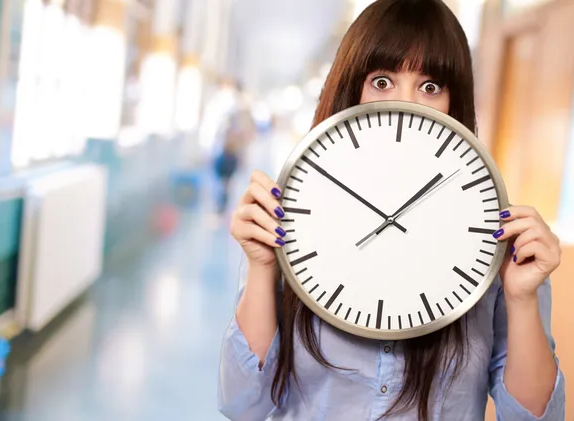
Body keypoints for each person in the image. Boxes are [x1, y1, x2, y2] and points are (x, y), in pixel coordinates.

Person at [218, 1, 566, 420]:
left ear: (455, 100)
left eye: (430, 86)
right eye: (382, 81)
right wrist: (261, 267)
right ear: (352, 88)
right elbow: (242, 406)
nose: (406, 103)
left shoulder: (493, 232)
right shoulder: (296, 208)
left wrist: (522, 297)